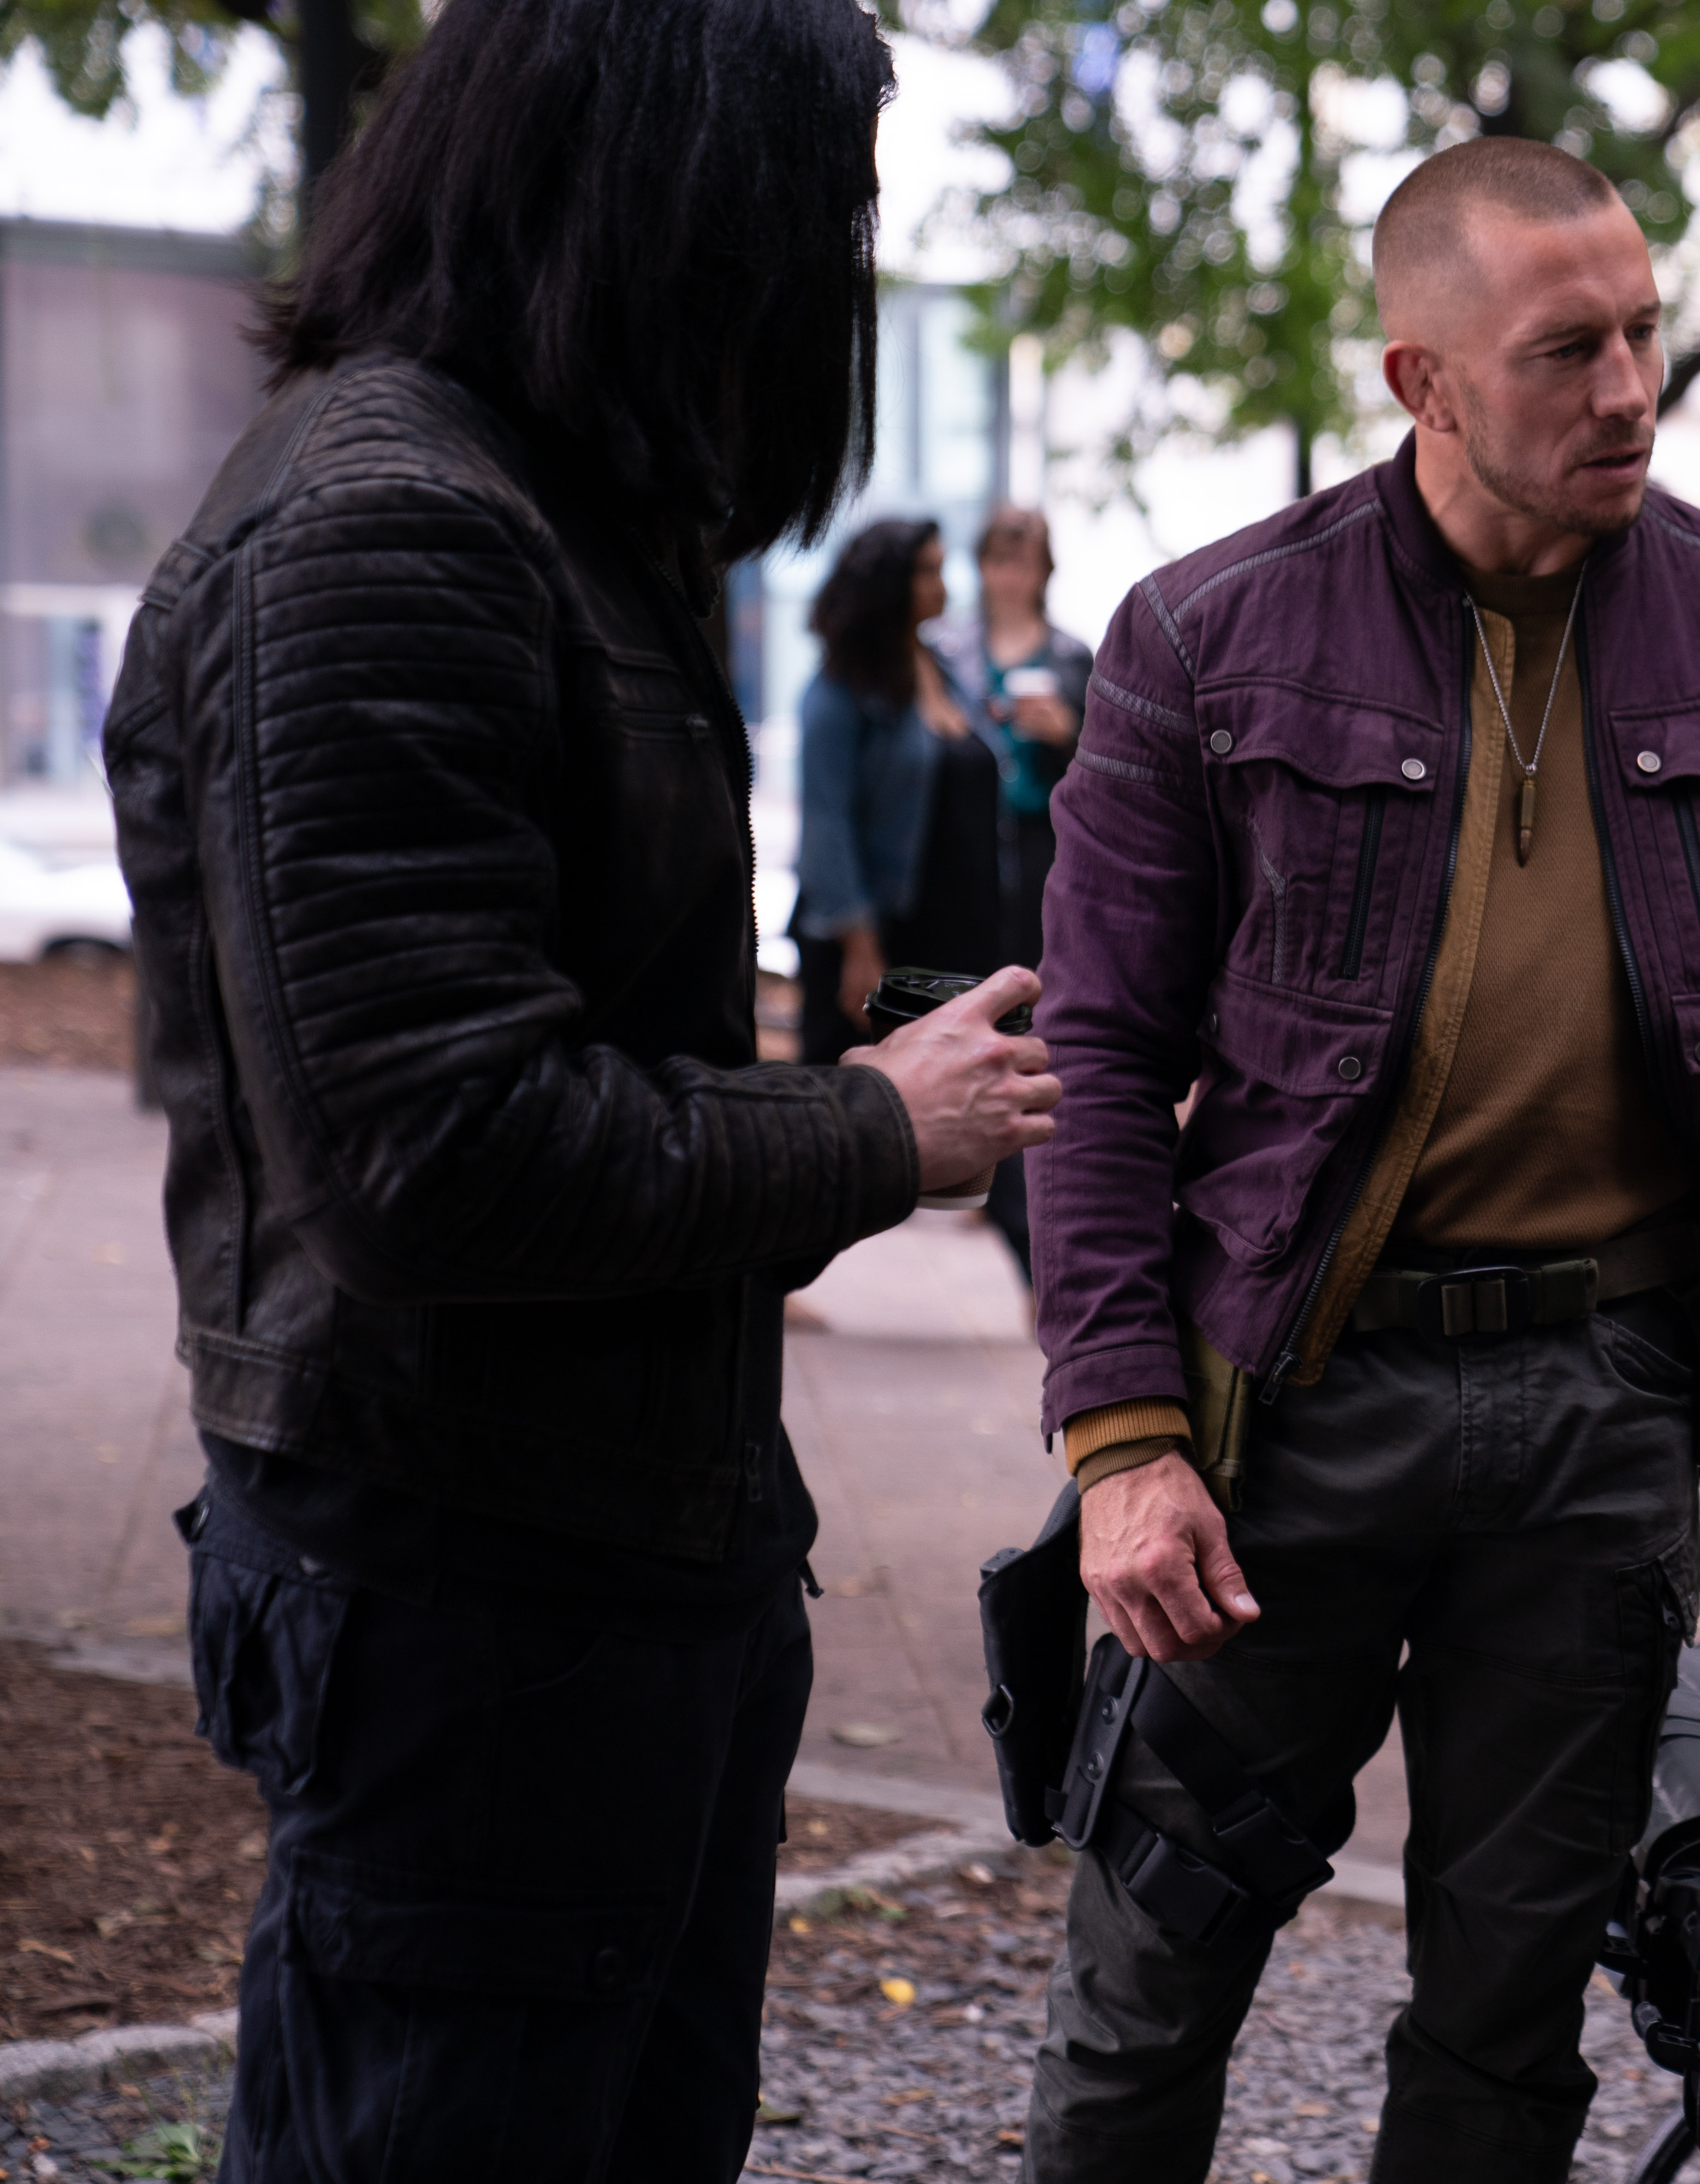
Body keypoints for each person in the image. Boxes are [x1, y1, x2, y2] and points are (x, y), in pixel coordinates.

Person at [1017, 135, 1700, 2184]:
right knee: (1151, 1965)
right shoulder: (1207, 637)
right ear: (1420, 379)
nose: (1627, 389)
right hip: (1285, 1398)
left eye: (1643, 333)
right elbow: (1097, 1057)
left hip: (1603, 1406)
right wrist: (1123, 1438)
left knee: (1509, 2016)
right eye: (1564, 349)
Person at [99, 3, 1061, 2176]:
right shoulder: (390, 525)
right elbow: (429, 1152)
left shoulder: (552, 511)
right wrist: (876, 1127)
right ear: (674, 199)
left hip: (612, 1573)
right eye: (814, 214)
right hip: (469, 1605)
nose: (824, 280)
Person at [792, 517, 1016, 1071]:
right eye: (926, 572)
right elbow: (826, 824)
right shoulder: (843, 685)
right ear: (888, 584)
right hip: (887, 935)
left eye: (942, 569)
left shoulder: (945, 666)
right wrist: (860, 948)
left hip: (959, 933)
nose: (942, 586)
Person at [937, 505, 1094, 1278]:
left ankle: (1021, 1189)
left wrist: (1067, 732)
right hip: (966, 849)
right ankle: (976, 1166)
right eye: (1000, 560)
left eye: (1023, 561)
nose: (1011, 576)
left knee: (1035, 1004)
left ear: (1044, 571)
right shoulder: (946, 651)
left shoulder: (1071, 656)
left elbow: (1105, 769)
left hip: (1041, 846)